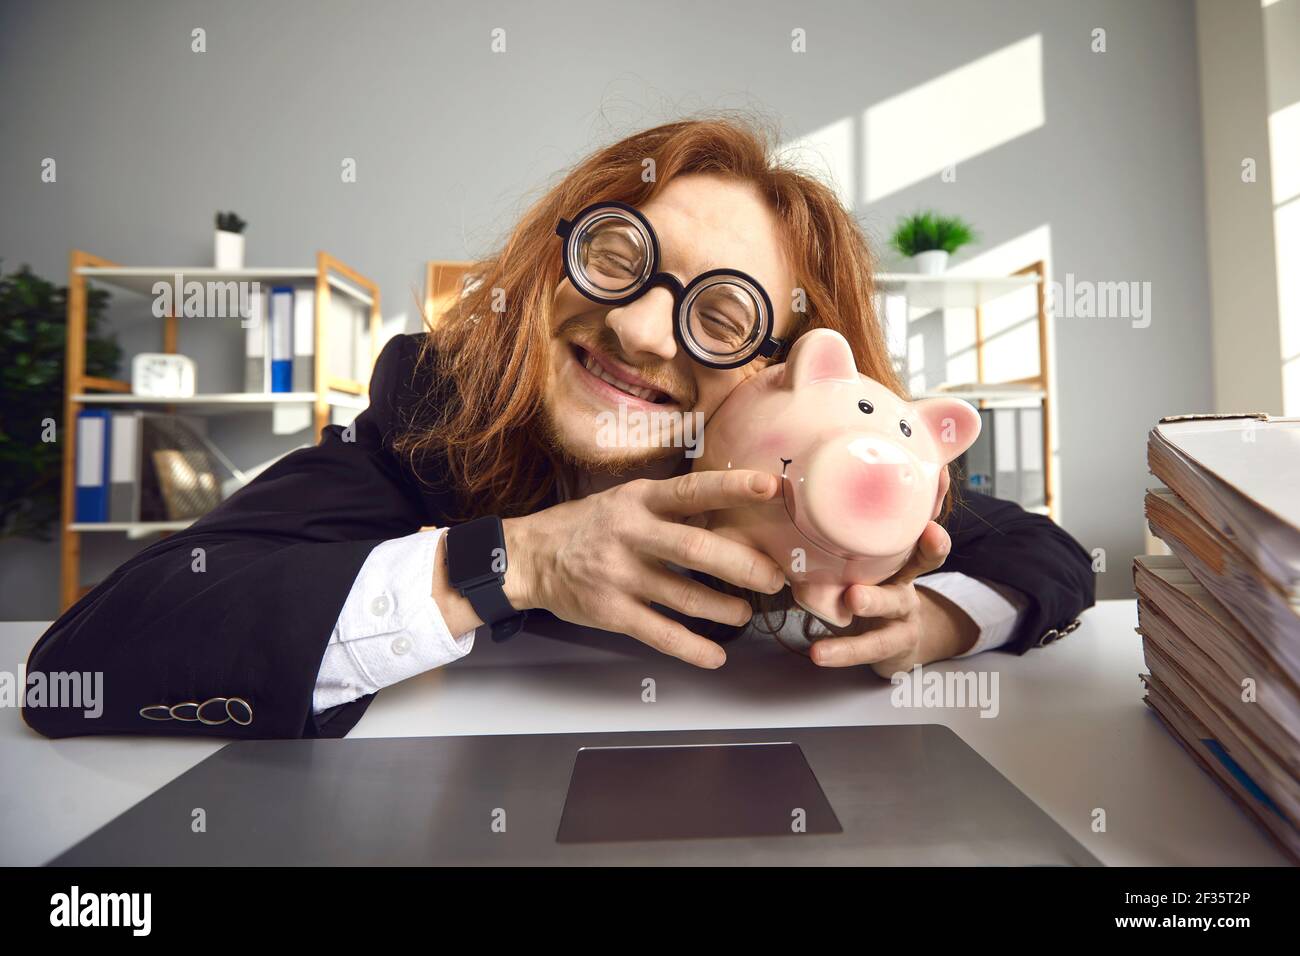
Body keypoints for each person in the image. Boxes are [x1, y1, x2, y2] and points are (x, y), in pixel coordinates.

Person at [23, 118, 1094, 740]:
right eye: (622, 258)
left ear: (772, 375)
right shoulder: (429, 412)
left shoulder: (808, 474)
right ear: (556, 256)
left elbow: (1037, 550)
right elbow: (88, 660)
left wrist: (941, 621)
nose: (634, 327)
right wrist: (508, 562)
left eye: (719, 312)